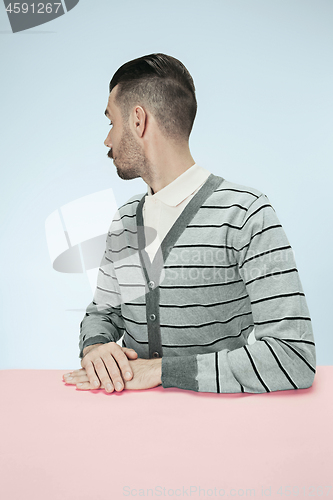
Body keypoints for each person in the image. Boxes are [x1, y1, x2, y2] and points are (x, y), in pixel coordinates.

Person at [63, 53, 316, 394]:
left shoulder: (246, 214)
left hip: (220, 435)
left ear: (138, 121)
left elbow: (293, 357)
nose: (107, 140)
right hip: (126, 432)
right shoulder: (124, 221)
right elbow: (103, 313)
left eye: (112, 122)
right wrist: (96, 348)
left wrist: (163, 371)